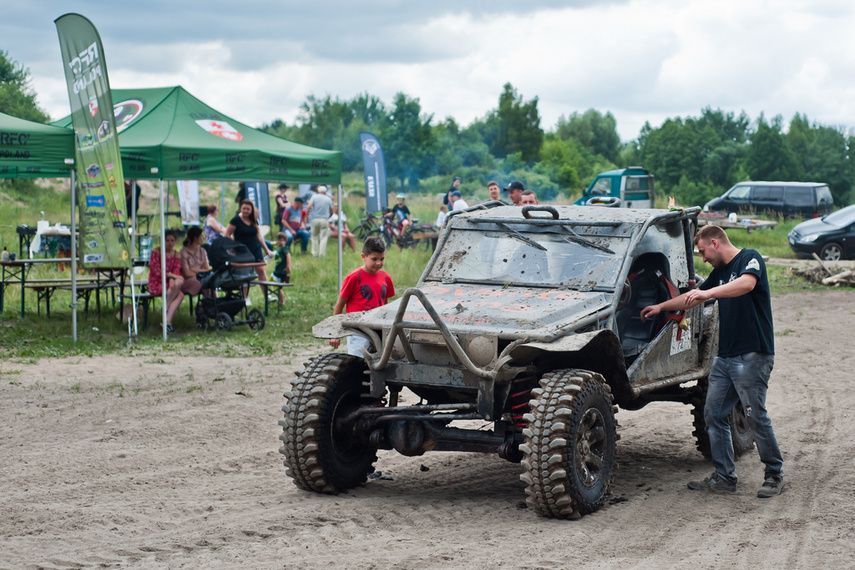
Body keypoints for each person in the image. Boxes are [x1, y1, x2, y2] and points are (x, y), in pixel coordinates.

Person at [640, 225, 784, 498]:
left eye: (703, 252)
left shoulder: (750, 259)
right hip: (726, 357)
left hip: (752, 354)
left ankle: (774, 474)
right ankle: (725, 477)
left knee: (755, 416)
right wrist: (661, 307)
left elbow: (746, 284)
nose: (703, 259)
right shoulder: (719, 274)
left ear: (715, 243)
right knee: (714, 414)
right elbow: (692, 298)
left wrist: (709, 294)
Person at [329, 237, 395, 356]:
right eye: (374, 259)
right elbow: (340, 305)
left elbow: (385, 304)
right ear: (363, 257)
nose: (378, 263)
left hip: (378, 328)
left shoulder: (386, 278)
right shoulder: (354, 277)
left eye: (382, 259)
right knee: (359, 362)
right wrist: (335, 333)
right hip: (358, 330)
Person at [226, 199, 272, 297]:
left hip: (256, 249)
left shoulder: (253, 220)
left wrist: (266, 249)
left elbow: (259, 235)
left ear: (251, 210)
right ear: (240, 209)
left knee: (261, 270)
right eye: (244, 208)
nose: (246, 211)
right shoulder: (235, 220)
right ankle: (245, 297)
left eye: (248, 209)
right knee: (245, 274)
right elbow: (227, 234)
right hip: (243, 252)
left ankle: (267, 295)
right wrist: (235, 245)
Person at [147, 230, 184, 334]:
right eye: (167, 240)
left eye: (172, 240)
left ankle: (166, 319)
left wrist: (172, 279)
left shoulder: (176, 254)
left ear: (176, 241)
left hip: (168, 282)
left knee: (179, 283)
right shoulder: (156, 252)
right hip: (157, 282)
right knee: (180, 294)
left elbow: (176, 270)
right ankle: (167, 319)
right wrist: (171, 276)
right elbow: (156, 270)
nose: (169, 243)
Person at [180, 226, 211, 297]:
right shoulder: (183, 252)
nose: (203, 238)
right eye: (201, 236)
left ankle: (208, 305)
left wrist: (193, 269)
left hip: (200, 278)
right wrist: (200, 273)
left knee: (210, 284)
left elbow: (207, 269)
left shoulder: (202, 251)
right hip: (188, 280)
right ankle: (206, 306)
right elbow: (186, 273)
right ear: (195, 238)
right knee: (204, 284)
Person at [306, 184, 334, 257]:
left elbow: (309, 207)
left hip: (314, 219)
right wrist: (328, 216)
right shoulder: (328, 199)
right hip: (324, 219)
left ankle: (314, 253)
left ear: (318, 190)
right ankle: (321, 254)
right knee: (323, 237)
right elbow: (332, 211)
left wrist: (306, 217)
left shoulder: (314, 197)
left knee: (314, 237)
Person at [272, 231, 291, 307]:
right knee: (272, 282)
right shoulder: (279, 250)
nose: (279, 242)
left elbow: (288, 256)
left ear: (285, 242)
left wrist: (288, 266)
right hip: (277, 271)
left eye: (282, 240)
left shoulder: (284, 248)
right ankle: (270, 295)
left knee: (279, 287)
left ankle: (282, 302)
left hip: (282, 271)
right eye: (278, 240)